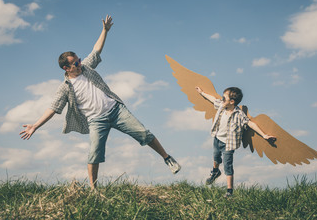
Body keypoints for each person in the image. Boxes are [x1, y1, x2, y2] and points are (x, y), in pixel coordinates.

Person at [20, 15, 181, 189]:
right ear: (66, 68)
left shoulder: (87, 68)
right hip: (96, 121)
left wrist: (104, 31)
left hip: (116, 110)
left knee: (144, 133)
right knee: (94, 153)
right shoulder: (65, 87)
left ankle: (167, 158)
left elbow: (96, 51)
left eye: (79, 60)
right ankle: (93, 189)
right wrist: (35, 125)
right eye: (75, 63)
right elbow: (53, 108)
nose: (80, 63)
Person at [195, 86, 275, 197]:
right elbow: (213, 99)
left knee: (228, 165)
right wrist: (202, 92)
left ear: (232, 101)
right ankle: (215, 171)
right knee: (216, 157)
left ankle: (229, 191)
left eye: (224, 98)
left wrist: (264, 135)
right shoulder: (222, 106)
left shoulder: (239, 115)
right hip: (217, 138)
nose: (222, 100)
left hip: (229, 144)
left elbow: (251, 124)